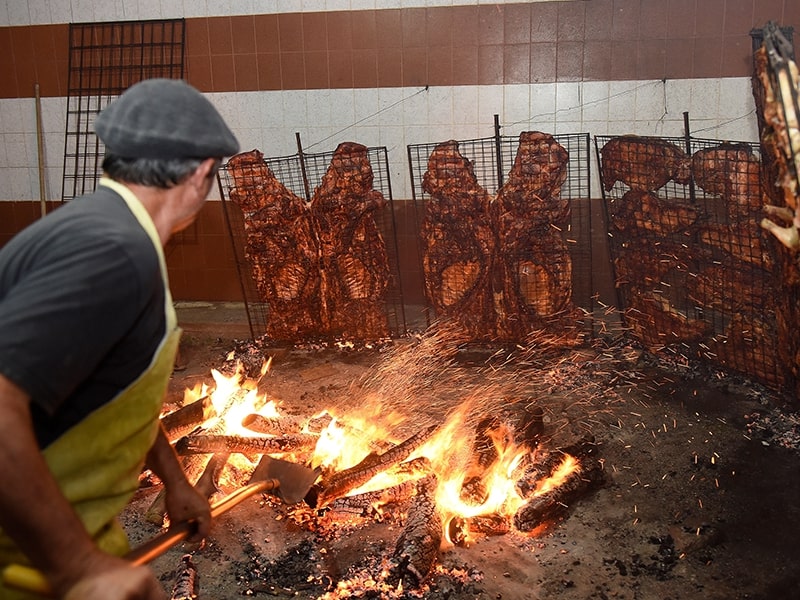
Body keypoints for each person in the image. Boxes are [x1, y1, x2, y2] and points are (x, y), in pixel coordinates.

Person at [0, 78, 240, 599]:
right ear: (201, 174)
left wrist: (174, 480)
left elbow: (105, 383)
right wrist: (78, 567)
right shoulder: (113, 252)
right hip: (26, 564)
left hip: (68, 536)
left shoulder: (103, 230)